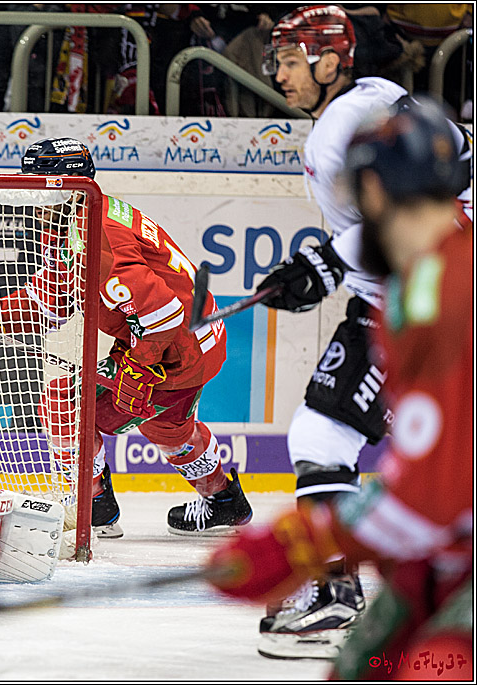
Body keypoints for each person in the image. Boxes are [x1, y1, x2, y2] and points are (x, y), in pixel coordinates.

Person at [207, 97, 473, 681]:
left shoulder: (442, 298)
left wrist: (300, 544)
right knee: (370, 662)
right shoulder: (417, 287)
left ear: (375, 192)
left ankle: (334, 590)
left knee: (436, 666)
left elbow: (430, 498)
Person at [0, 137, 253, 540]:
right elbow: (53, 300)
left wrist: (139, 367)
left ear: (63, 183)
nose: (26, 192)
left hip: (173, 350)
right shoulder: (82, 214)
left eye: (34, 181)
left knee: (64, 399)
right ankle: (224, 501)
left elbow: (162, 314)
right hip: (201, 341)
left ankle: (92, 502)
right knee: (168, 427)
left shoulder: (94, 233)